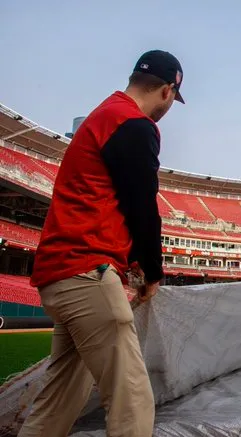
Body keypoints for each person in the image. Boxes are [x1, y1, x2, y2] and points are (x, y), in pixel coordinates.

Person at [20, 50, 185, 437]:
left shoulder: (104, 114)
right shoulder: (132, 122)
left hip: (60, 274)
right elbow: (142, 205)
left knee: (58, 401)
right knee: (132, 401)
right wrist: (152, 271)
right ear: (167, 91)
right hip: (87, 273)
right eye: (173, 100)